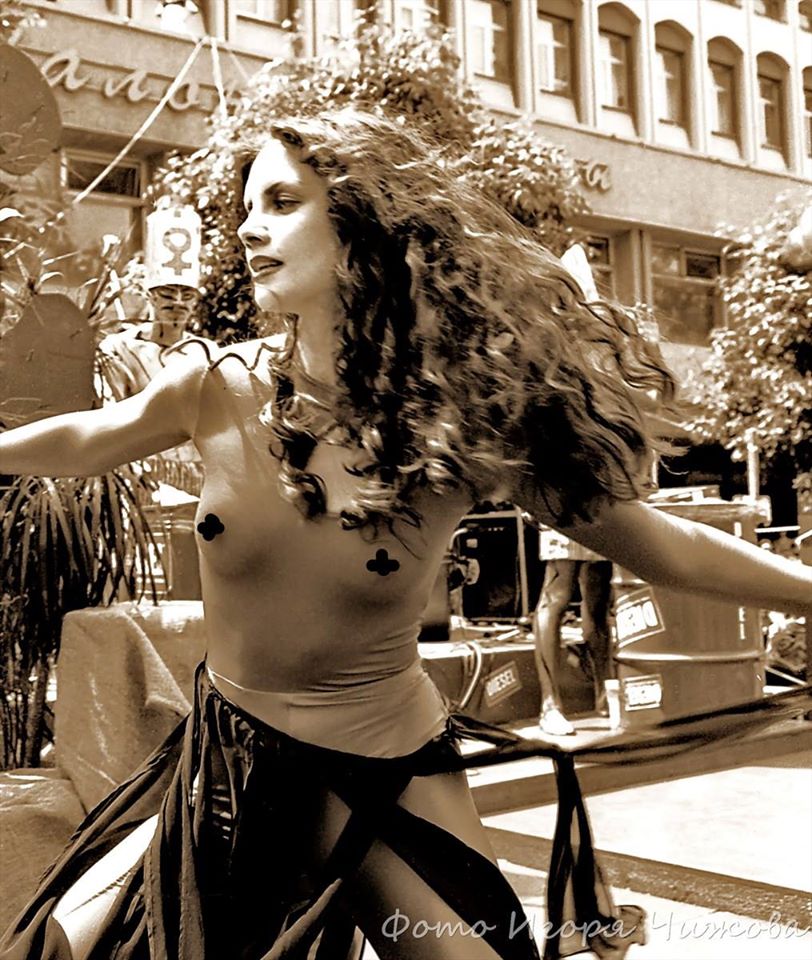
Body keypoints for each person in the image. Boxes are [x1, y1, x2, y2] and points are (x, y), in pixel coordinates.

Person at [0, 109, 810, 960]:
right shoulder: (215, 386)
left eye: (282, 202)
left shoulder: (459, 423)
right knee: (60, 949)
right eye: (246, 208)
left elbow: (664, 545)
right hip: (232, 765)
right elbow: (89, 436)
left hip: (387, 764)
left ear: (363, 225)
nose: (247, 228)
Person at [534, 529, 614, 737]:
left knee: (598, 598)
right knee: (558, 594)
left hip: (599, 512)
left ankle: (605, 697)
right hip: (563, 512)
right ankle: (550, 706)